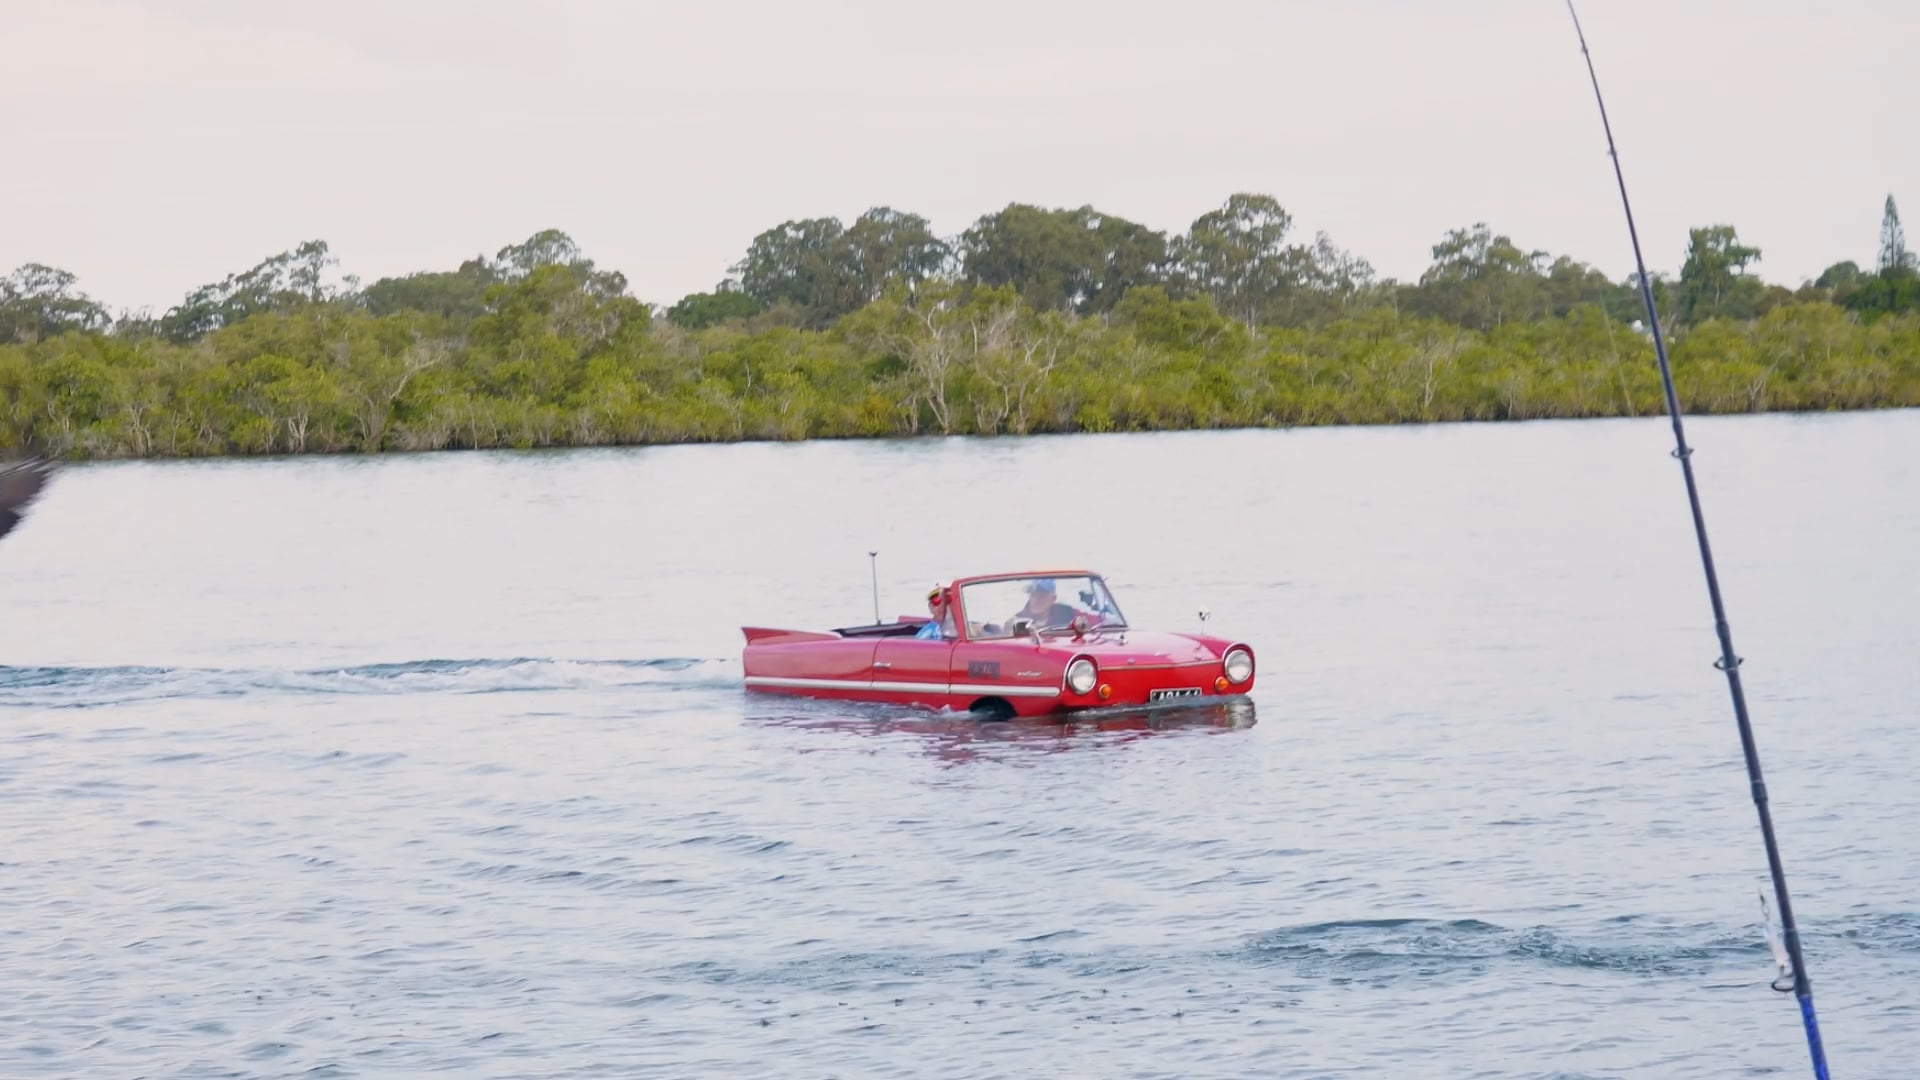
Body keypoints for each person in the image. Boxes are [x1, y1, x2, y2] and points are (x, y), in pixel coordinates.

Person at [1008, 578, 1078, 630]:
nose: (1036, 599)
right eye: (1033, 594)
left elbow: (1088, 625)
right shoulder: (1016, 621)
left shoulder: (1068, 613)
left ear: (1053, 599)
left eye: (1042, 595)